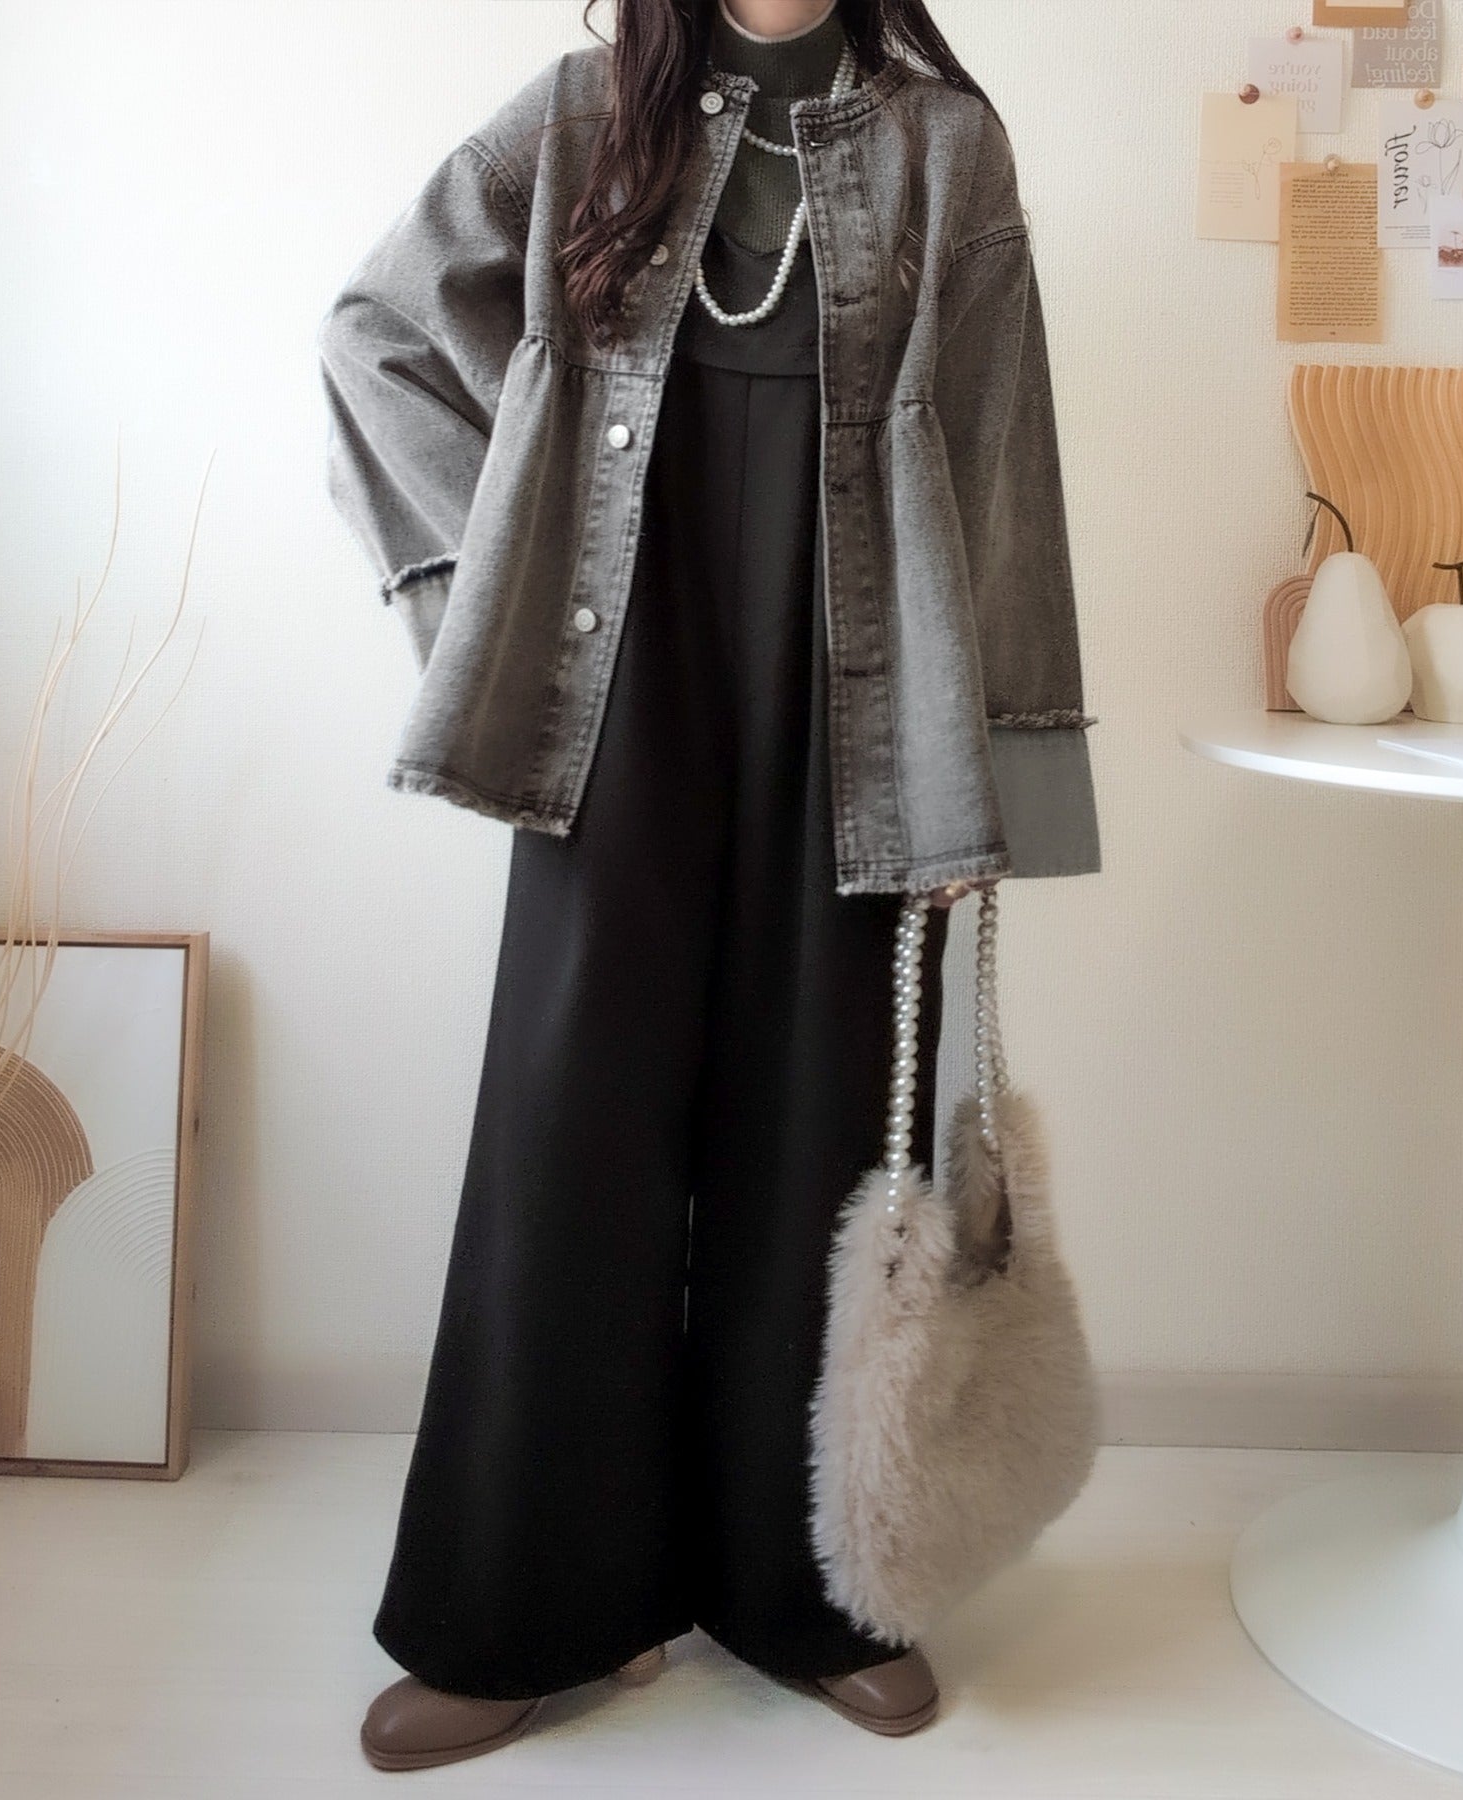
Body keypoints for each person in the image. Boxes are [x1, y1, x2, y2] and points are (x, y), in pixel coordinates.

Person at [315, 0, 1100, 1771]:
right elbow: (378, 332)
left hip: (863, 713)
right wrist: (482, 596)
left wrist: (999, 782)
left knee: (823, 1130)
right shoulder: (579, 116)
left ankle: (809, 1589)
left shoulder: (946, 147)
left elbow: (1001, 454)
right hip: (617, 698)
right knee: (566, 1138)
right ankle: (523, 1606)